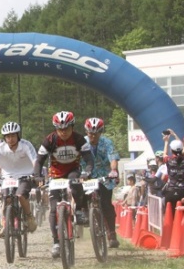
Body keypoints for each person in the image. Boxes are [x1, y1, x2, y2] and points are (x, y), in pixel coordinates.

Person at [33, 111, 94, 259]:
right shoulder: (49, 140)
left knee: (75, 183)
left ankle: (79, 209)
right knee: (53, 209)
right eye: (60, 129)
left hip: (73, 170)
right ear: (55, 129)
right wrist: (37, 176)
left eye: (66, 128)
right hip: (55, 174)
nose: (63, 132)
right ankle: (56, 242)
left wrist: (87, 171)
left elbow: (89, 158)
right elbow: (39, 161)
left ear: (72, 127)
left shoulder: (79, 139)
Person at [0, 122, 38, 238]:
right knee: (5, 198)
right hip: (7, 178)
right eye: (8, 136)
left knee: (20, 195)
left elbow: (35, 160)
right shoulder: (0, 148)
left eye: (13, 136)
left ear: (18, 135)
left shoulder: (26, 145)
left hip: (25, 175)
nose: (11, 139)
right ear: (4, 138)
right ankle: (5, 224)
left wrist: (37, 174)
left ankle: (29, 217)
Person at [82, 117, 120, 248]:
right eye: (90, 133)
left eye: (96, 133)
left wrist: (114, 170)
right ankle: (87, 216)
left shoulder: (107, 142)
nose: (93, 136)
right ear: (86, 132)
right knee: (82, 198)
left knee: (106, 204)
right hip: (87, 176)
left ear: (101, 132)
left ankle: (111, 233)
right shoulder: (82, 143)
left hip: (104, 176)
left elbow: (113, 157)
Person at [161, 139, 184, 215]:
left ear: (171, 150)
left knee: (170, 215)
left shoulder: (169, 160)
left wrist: (166, 141)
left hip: (171, 190)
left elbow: (164, 155)